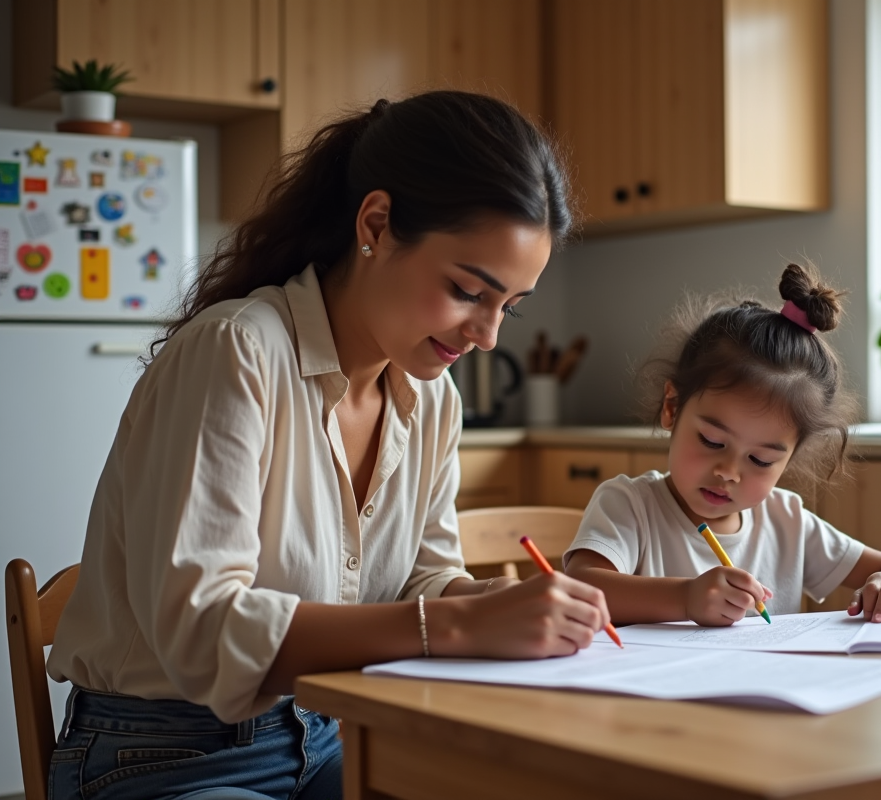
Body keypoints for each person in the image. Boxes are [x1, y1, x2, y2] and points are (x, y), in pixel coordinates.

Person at [45, 91, 611, 800]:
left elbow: (424, 587)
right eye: (469, 290)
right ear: (375, 223)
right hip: (164, 755)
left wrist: (494, 602)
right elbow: (201, 633)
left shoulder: (431, 399)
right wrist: (456, 622)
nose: (488, 335)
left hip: (340, 732)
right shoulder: (237, 352)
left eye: (509, 308)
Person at [563, 261, 881, 627]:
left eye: (760, 460)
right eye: (712, 441)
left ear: (789, 459)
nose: (728, 472)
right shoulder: (629, 507)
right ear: (672, 408)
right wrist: (685, 599)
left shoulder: (785, 522)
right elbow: (580, 589)